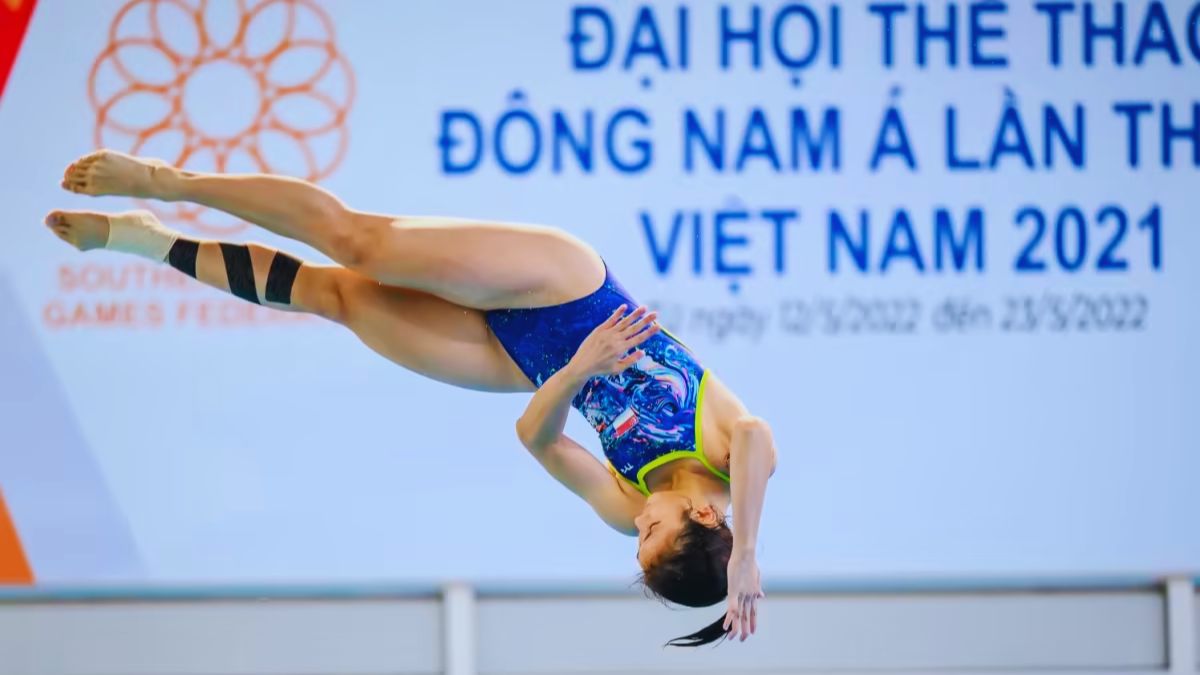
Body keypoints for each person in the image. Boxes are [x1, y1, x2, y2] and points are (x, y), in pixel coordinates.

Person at [48, 150, 778, 645]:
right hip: (566, 286)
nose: (639, 524)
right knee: (358, 244)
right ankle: (167, 181)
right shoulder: (729, 449)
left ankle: (146, 242)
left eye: (640, 538)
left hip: (531, 360)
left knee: (333, 296)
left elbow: (536, 435)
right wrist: (744, 553)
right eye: (656, 531)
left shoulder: (629, 505)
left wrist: (580, 370)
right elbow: (757, 438)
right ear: (705, 513)